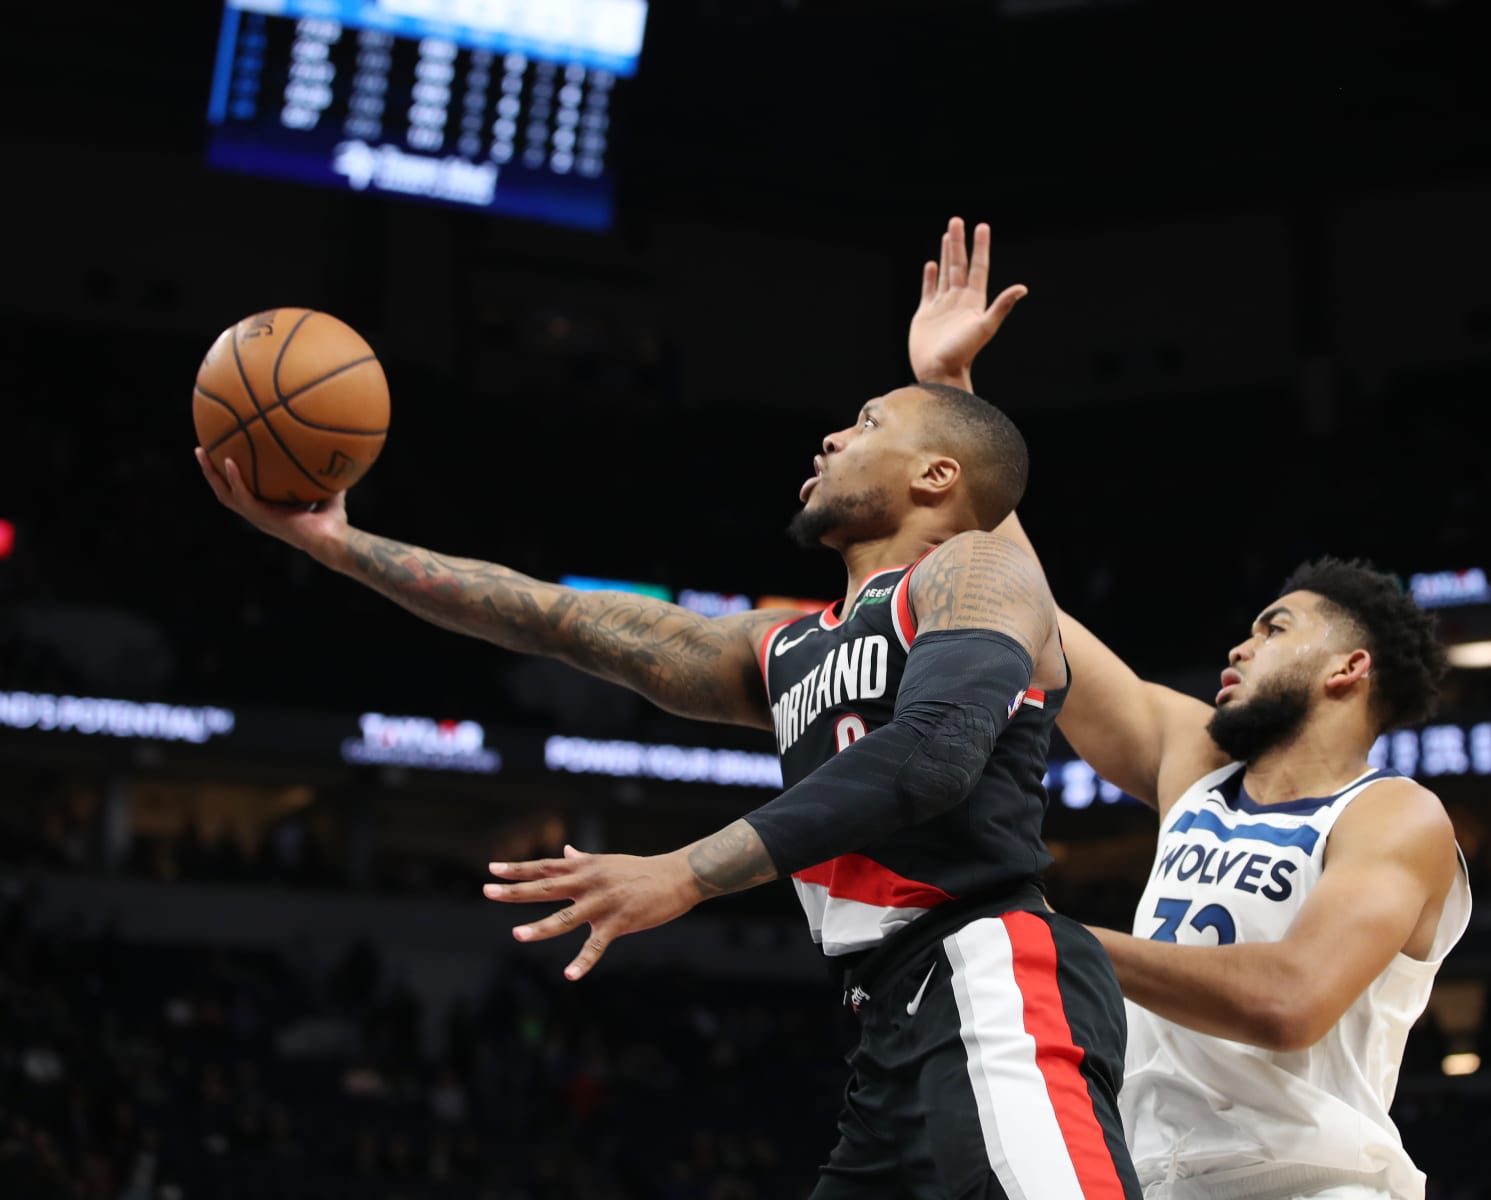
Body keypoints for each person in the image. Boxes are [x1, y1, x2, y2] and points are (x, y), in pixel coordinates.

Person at [194, 273, 1143, 1198]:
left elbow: (934, 755)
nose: (831, 434)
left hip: (992, 981)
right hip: (882, 1022)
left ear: (936, 476)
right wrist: (336, 546)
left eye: (866, 423)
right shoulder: (789, 647)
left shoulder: (979, 573)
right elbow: (548, 616)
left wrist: (682, 871)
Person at [911, 218, 1469, 1200]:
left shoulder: (1393, 816)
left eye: (1275, 626)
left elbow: (1292, 1001)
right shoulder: (1198, 763)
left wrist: (1052, 939)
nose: (1240, 643)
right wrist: (951, 398)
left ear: (1348, 666)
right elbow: (1031, 612)